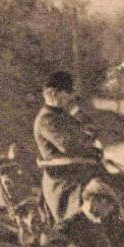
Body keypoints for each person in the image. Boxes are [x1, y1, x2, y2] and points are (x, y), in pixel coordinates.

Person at [33, 70, 103, 230]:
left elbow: (92, 130)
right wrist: (88, 140)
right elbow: (70, 145)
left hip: (81, 172)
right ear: (52, 94)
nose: (71, 98)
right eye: (68, 93)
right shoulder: (46, 119)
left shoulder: (64, 115)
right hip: (64, 180)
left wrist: (75, 111)